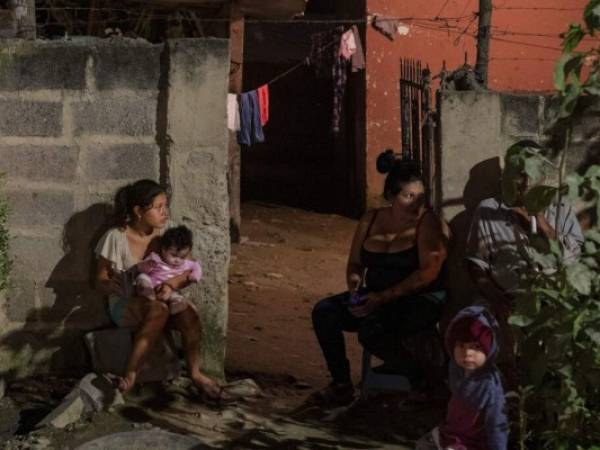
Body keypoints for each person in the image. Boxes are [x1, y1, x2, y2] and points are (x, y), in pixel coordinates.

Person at [312, 151, 449, 404]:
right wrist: (354, 289)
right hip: (375, 296)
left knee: (371, 331)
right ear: (390, 196)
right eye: (408, 196)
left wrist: (383, 298)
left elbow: (428, 273)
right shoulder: (372, 218)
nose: (416, 204)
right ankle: (341, 383)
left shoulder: (427, 223)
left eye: (420, 197)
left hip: (415, 299)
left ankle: (424, 380)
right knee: (325, 311)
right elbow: (355, 263)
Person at [465, 141, 584, 388]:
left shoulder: (560, 208)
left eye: (532, 173)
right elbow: (476, 264)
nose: (526, 181)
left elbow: (572, 260)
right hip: (506, 297)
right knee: (478, 330)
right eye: (520, 174)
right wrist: (496, 297)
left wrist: (540, 220)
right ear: (509, 176)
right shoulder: (488, 210)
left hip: (553, 298)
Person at [94, 179, 226, 399]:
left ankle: (195, 374)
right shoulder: (115, 237)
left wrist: (170, 285)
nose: (165, 213)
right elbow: (98, 279)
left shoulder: (166, 234)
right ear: (138, 211)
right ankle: (131, 374)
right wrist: (110, 284)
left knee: (188, 314)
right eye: (158, 207)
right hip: (127, 306)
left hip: (163, 298)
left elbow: (188, 269)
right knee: (159, 310)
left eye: (166, 206)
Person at [416, 306, 509, 450]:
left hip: (473, 440)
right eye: (461, 346)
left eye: (476, 347)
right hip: (452, 433)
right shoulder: (456, 369)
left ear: (489, 350)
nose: (468, 353)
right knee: (423, 444)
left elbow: (497, 421)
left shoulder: (489, 383)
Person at [135, 225, 202, 315]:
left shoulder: (186, 263)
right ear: (163, 249)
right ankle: (146, 291)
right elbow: (140, 268)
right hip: (152, 285)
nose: (177, 260)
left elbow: (196, 267)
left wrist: (194, 276)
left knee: (176, 296)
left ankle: (176, 305)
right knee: (142, 277)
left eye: (182, 257)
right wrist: (146, 266)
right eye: (173, 255)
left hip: (170, 290)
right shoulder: (155, 258)